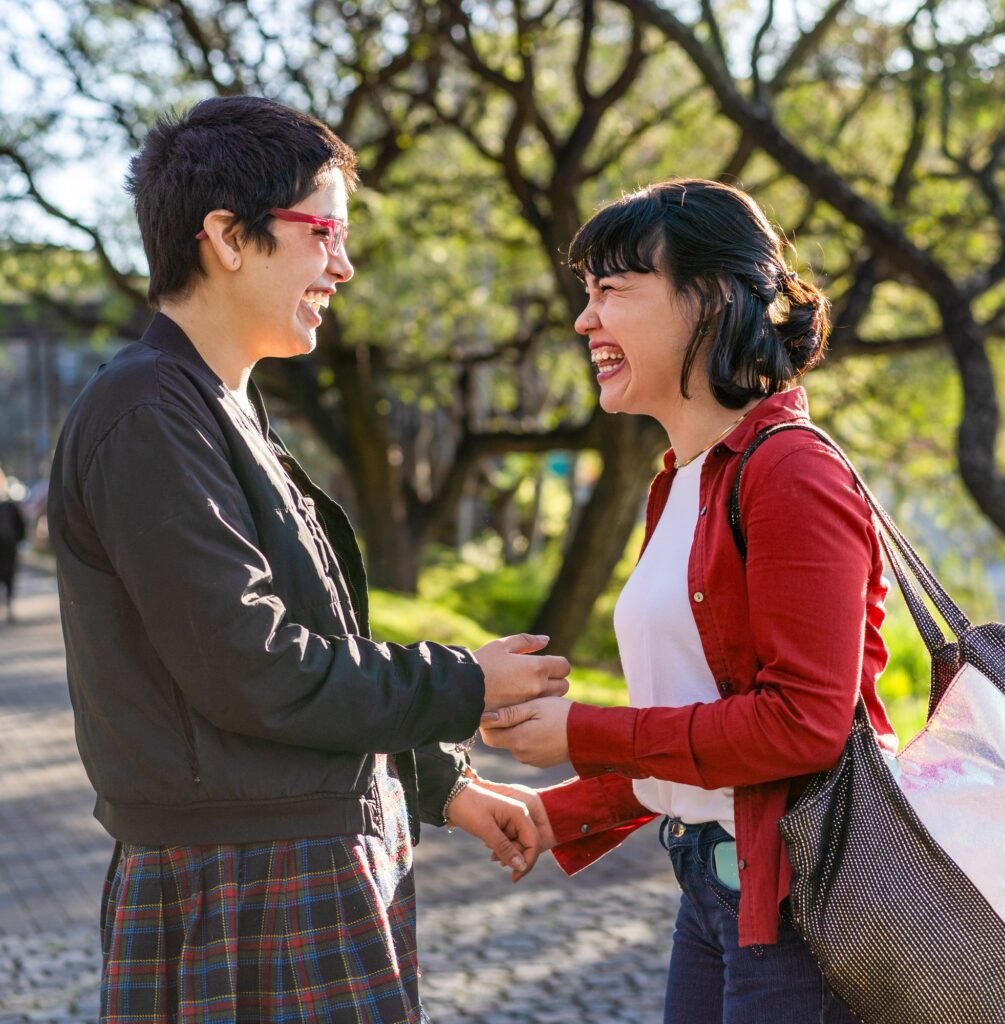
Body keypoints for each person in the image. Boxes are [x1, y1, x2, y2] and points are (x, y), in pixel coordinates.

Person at [47, 95, 570, 1024]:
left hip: (288, 868)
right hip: (240, 888)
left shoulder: (216, 406)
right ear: (228, 237)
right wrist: (464, 684)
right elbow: (253, 668)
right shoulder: (146, 415)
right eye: (323, 230)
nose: (345, 262)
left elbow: (303, 649)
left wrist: (437, 782)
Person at [478, 178, 897, 1023]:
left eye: (611, 291)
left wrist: (582, 732)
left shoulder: (791, 471)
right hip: (713, 891)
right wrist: (563, 813)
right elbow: (702, 731)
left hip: (799, 918)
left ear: (708, 298)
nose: (583, 321)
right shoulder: (679, 484)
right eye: (584, 294)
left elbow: (803, 726)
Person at [0, 467, 27, 622]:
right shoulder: (10, 505)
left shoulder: (10, 505)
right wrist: (19, 540)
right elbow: (20, 525)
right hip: (10, 545)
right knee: (9, 575)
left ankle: (8, 602)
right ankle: (9, 602)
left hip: (8, 545)